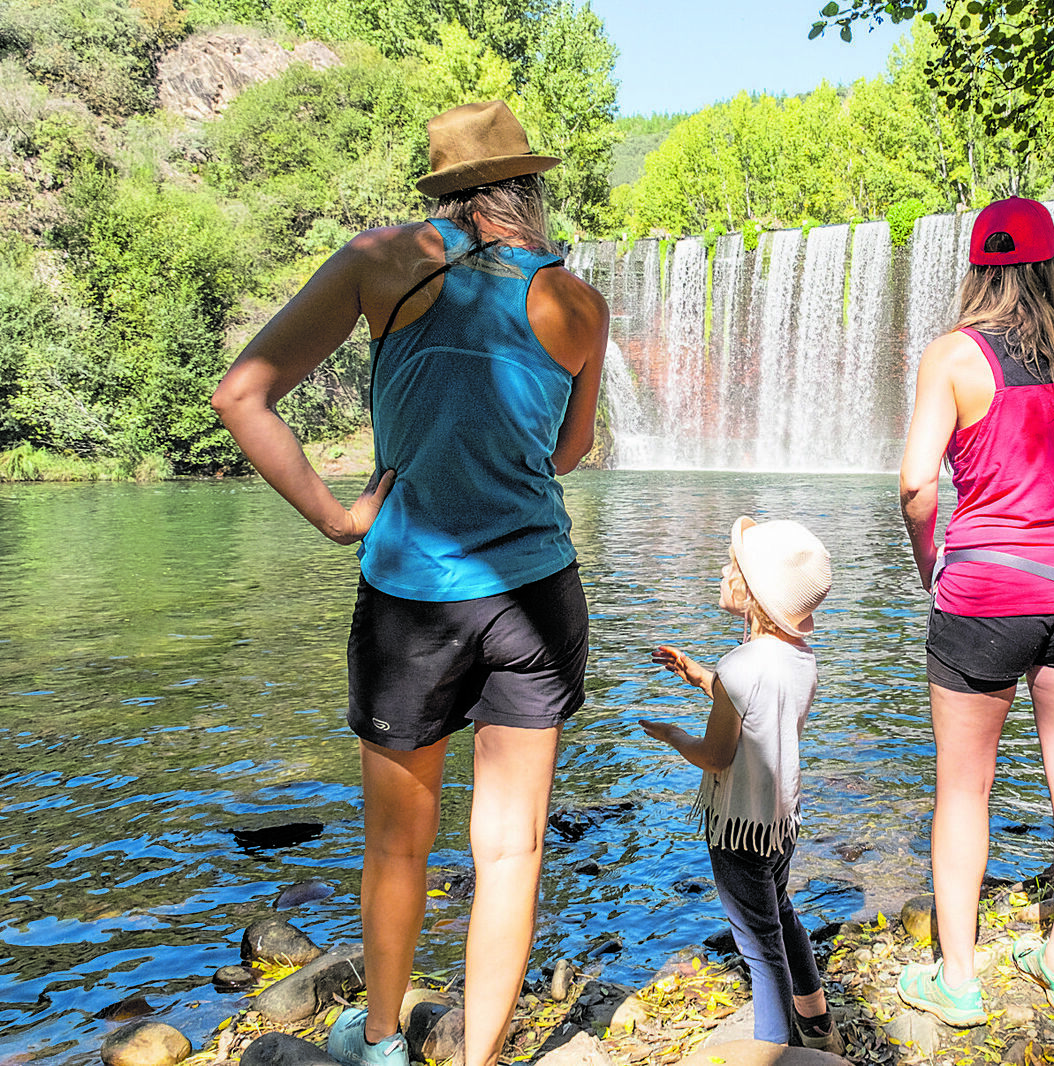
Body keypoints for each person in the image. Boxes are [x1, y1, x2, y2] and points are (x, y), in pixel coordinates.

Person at [210, 100, 607, 1066]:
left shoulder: (379, 261)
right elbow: (569, 450)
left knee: (397, 844)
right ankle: (479, 1056)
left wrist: (338, 516)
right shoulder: (579, 302)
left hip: (412, 598)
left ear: (442, 187)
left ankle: (383, 1040)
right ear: (531, 188)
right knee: (510, 848)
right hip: (536, 594)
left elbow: (240, 394)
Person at [896, 197, 1054, 1024]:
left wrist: (932, 562)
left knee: (963, 789)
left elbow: (916, 483)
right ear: (1050, 265)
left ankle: (958, 981)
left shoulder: (953, 356)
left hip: (982, 593)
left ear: (979, 268)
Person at [638, 517, 843, 1054]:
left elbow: (716, 754)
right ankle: (816, 1018)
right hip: (780, 822)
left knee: (758, 946)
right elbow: (753, 703)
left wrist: (672, 735)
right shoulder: (798, 658)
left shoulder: (740, 666)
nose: (724, 570)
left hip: (737, 833)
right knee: (780, 911)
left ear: (751, 595)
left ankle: (772, 1051)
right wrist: (699, 674)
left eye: (734, 567)